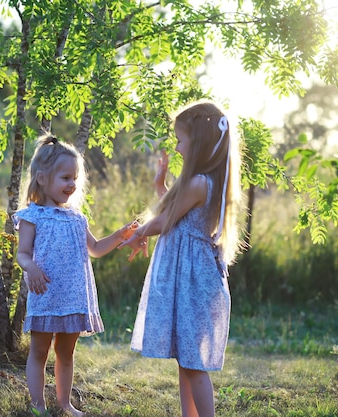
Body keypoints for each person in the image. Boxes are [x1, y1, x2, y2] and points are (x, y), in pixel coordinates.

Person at [119, 100, 244, 417]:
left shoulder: (201, 183)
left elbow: (166, 220)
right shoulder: (201, 183)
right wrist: (160, 185)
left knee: (193, 362)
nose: (176, 148)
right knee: (186, 359)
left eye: (180, 139)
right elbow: (177, 213)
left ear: (198, 142)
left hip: (194, 282)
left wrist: (139, 233)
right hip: (191, 279)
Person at [14, 135, 137, 417]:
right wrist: (30, 267)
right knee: (39, 352)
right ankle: (38, 405)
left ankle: (65, 403)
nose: (72, 184)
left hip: (73, 297)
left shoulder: (77, 218)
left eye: (75, 178)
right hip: (46, 294)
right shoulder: (32, 216)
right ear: (43, 179)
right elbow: (22, 253)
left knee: (66, 353)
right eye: (65, 177)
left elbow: (95, 249)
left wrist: (120, 235)